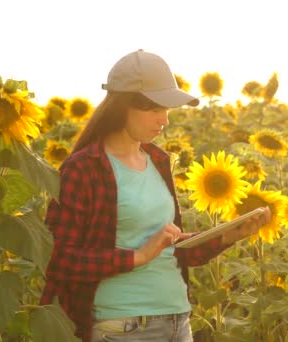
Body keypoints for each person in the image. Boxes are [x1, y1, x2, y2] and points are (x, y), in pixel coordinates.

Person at [40, 49, 271, 342]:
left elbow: (170, 249)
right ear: (123, 106)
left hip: (178, 321)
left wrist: (229, 235)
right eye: (155, 109)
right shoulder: (84, 168)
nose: (165, 120)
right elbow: (60, 258)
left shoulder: (158, 161)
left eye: (167, 110)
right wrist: (137, 256)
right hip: (124, 326)